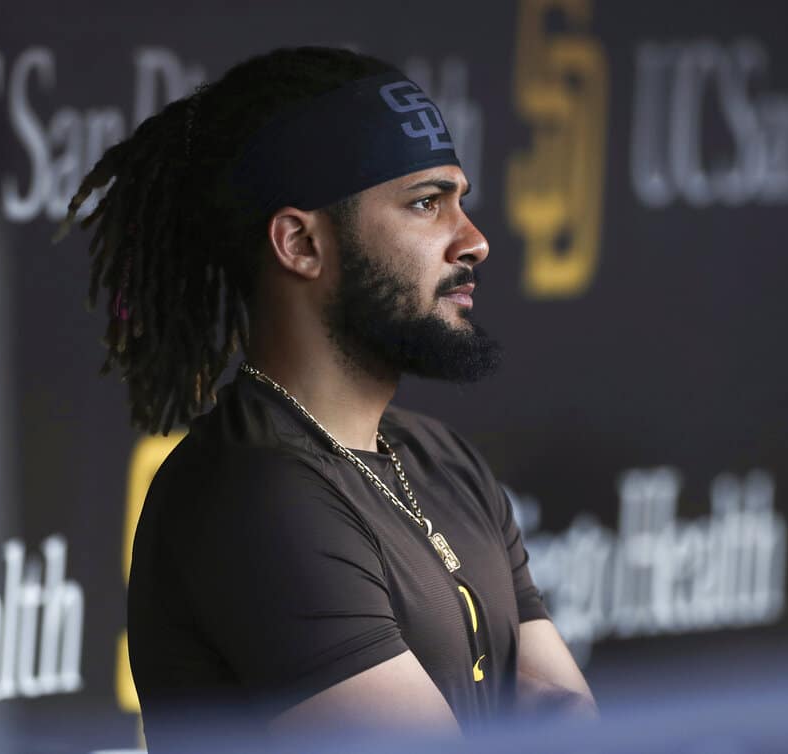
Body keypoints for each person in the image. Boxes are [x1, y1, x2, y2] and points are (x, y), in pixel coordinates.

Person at [55, 46, 596, 749]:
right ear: (300, 244)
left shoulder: (443, 459)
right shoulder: (252, 491)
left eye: (461, 201)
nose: (474, 241)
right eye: (426, 204)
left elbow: (573, 718)